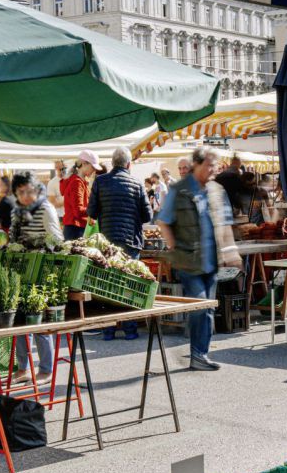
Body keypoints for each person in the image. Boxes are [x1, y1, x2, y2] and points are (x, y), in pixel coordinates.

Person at [157, 147, 241, 370]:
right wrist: (174, 246)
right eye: (209, 165)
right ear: (197, 164)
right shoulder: (179, 189)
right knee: (200, 306)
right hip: (188, 260)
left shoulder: (217, 190)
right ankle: (197, 354)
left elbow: (224, 223)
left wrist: (230, 251)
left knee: (209, 308)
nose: (213, 169)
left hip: (211, 260)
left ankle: (200, 354)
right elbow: (163, 220)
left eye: (215, 165)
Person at [88, 148, 153, 340]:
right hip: (130, 241)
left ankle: (108, 331)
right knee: (129, 285)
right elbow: (147, 215)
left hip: (107, 242)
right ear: (128, 164)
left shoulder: (100, 181)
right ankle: (130, 330)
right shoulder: (137, 183)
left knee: (107, 285)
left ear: (113, 162)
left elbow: (91, 212)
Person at [9, 172, 62, 383]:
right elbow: (14, 236)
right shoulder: (17, 212)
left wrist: (37, 243)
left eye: (29, 191)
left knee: (39, 319)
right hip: (22, 270)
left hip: (42, 270)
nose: (25, 196)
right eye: (20, 192)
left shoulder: (45, 208)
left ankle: (46, 369)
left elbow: (57, 239)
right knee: (20, 319)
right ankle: (23, 368)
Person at [61, 151, 100, 240]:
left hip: (75, 227)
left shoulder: (80, 181)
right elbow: (78, 210)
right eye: (93, 167)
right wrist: (95, 210)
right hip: (75, 228)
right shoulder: (77, 183)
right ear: (84, 163)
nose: (94, 170)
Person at [46, 159, 67, 224]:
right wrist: (69, 200)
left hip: (72, 215)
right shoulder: (52, 183)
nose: (62, 170)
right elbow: (53, 204)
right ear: (56, 168)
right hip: (60, 216)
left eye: (64, 168)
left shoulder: (71, 180)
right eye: (60, 168)